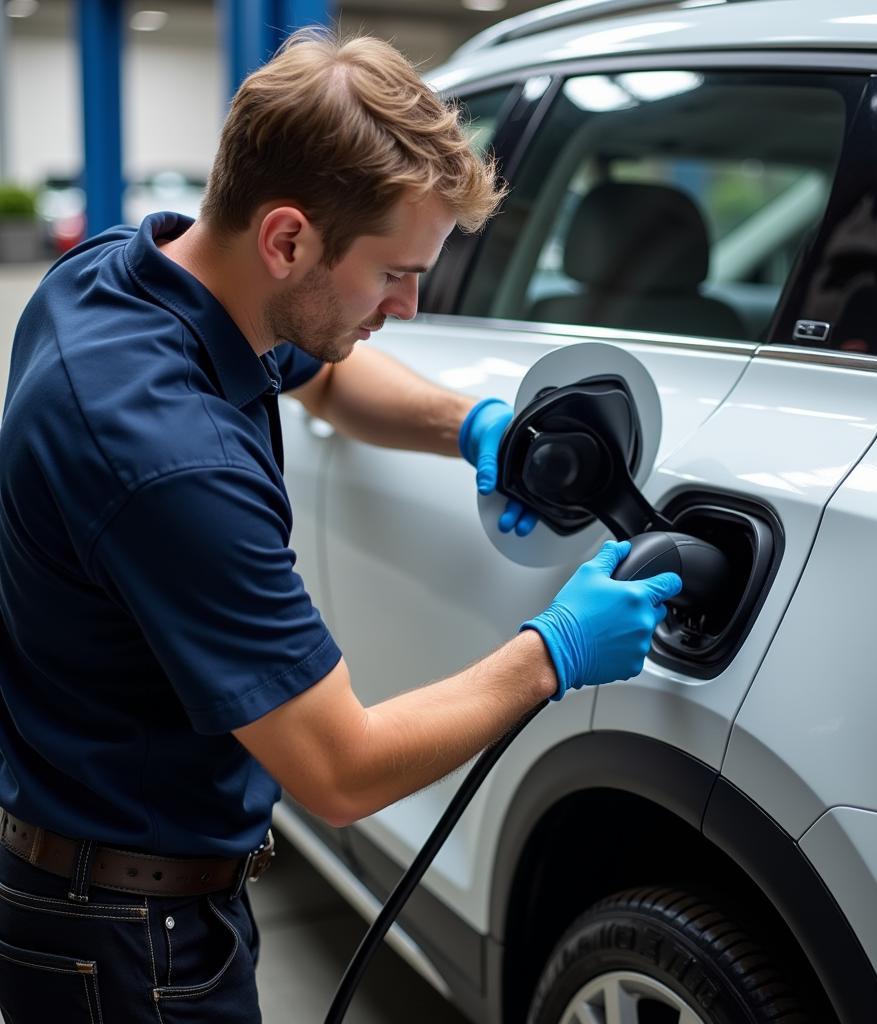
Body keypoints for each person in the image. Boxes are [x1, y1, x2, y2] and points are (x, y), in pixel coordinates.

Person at [0, 30, 681, 1022]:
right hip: (126, 944)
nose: (406, 307)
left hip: (97, 872)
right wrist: (554, 651)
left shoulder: (125, 273)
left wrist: (475, 427)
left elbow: (319, 371)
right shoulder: (166, 458)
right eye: (394, 274)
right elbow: (340, 767)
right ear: (286, 239)